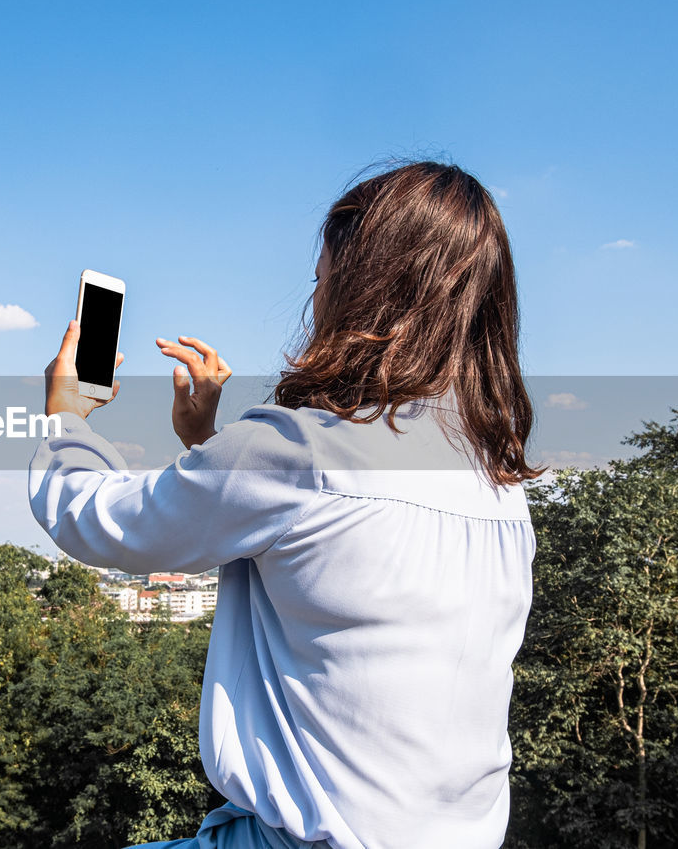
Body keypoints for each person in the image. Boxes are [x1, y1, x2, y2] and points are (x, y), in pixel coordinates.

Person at [28, 161, 542, 849]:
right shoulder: (500, 480)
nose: (317, 295)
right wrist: (208, 444)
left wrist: (67, 418)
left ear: (362, 291)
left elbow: (98, 521)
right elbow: (320, 557)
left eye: (323, 278)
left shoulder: (301, 448)